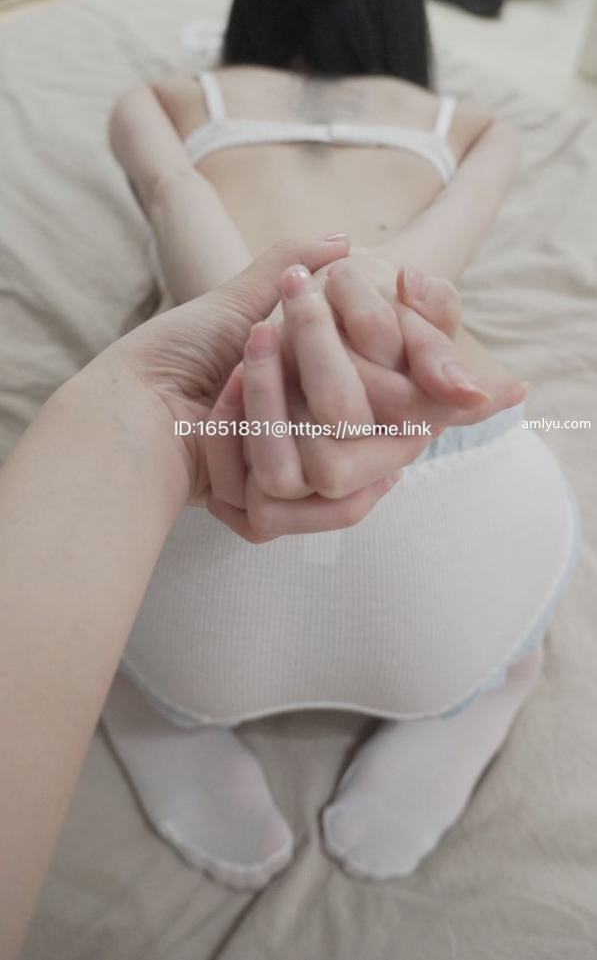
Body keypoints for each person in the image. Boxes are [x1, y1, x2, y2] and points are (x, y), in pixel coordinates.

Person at [104, 0, 580, 893]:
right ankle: (478, 697)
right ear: (398, 2)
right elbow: (420, 267)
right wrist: (344, 336)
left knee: (105, 605)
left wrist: (266, 357)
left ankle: (155, 714)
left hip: (202, 470)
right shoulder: (474, 125)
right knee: (516, 636)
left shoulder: (162, 98)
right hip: (449, 478)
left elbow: (176, 200)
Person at [1, 237, 497, 959]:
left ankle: (149, 705)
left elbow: (186, 212)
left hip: (403, 429)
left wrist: (336, 294)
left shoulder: (461, 130)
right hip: (265, 431)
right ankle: (492, 680)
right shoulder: (183, 140)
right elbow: (173, 197)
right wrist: (303, 318)